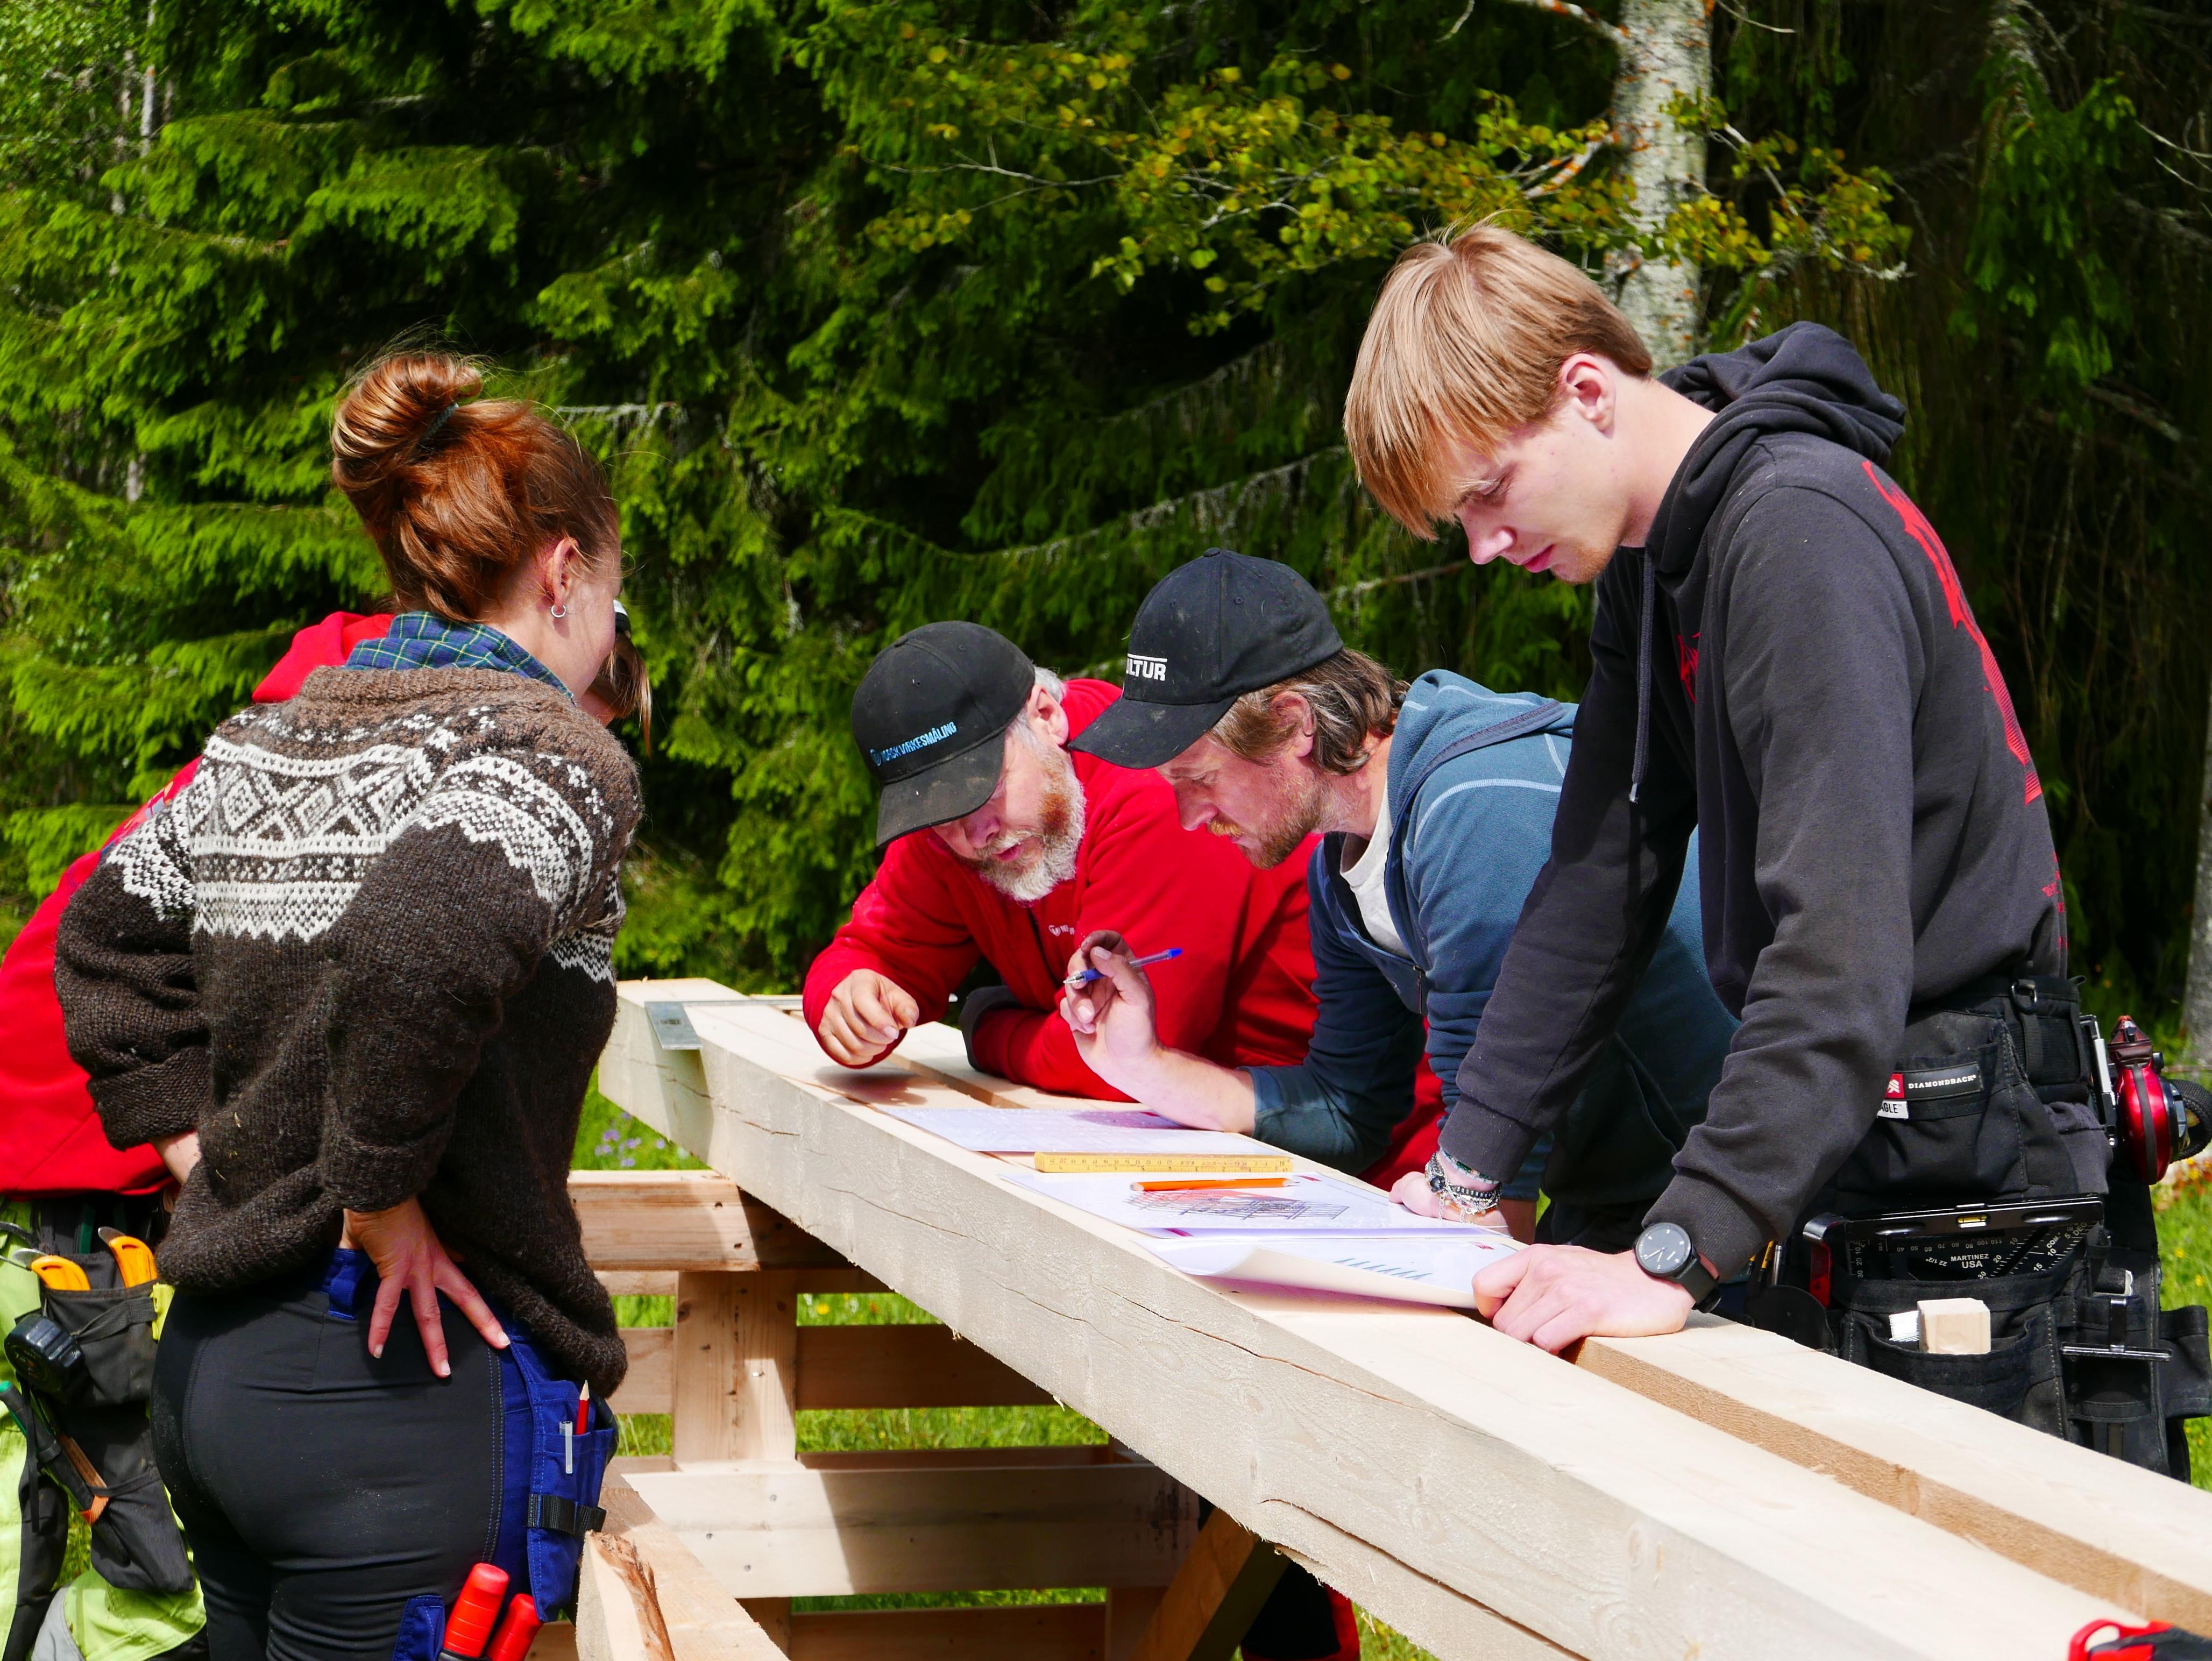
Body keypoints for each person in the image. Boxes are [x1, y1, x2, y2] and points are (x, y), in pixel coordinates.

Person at [1339, 225, 2208, 1472]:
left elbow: (1836, 951)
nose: (1483, 545)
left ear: (1585, 391)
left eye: (1485, 493)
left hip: (1971, 1164)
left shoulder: (1796, 532)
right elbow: (1600, 876)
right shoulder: (1657, 560)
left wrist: (1670, 1249)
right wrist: (1470, 1169)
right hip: (1858, 1136)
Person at [54, 348, 643, 1656]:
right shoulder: (552, 750)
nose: (610, 624)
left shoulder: (277, 736)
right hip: (393, 1393)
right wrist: (374, 1195)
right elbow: (419, 943)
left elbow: (106, 935)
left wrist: (210, 1155)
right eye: (612, 589)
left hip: (218, 1376)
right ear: (563, 569)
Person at [806, 620, 1367, 1661]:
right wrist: (850, 995)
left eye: (982, 792)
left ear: (1048, 714)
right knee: (1192, 1438)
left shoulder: (1158, 787)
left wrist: (983, 1021)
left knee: (1270, 1458)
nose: (973, 834)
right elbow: (864, 950)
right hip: (1204, 1166)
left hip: (1334, 1154)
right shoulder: (957, 832)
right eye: (937, 813)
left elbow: (1132, 1051)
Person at [1060, 549, 1736, 1248]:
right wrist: (1144, 1064)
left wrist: (1462, 1210)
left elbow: (1489, 1177)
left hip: (1728, 1221)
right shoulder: (1342, 871)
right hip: (1620, 1217)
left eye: (1198, 777)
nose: (1188, 818)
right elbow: (1348, 1110)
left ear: (1293, 723)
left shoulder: (1474, 807)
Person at [1, 613, 392, 1661]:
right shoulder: (299, 802)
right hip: (61, 1181)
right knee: (151, 1548)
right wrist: (215, 1170)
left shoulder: (259, 769)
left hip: (79, 1160)